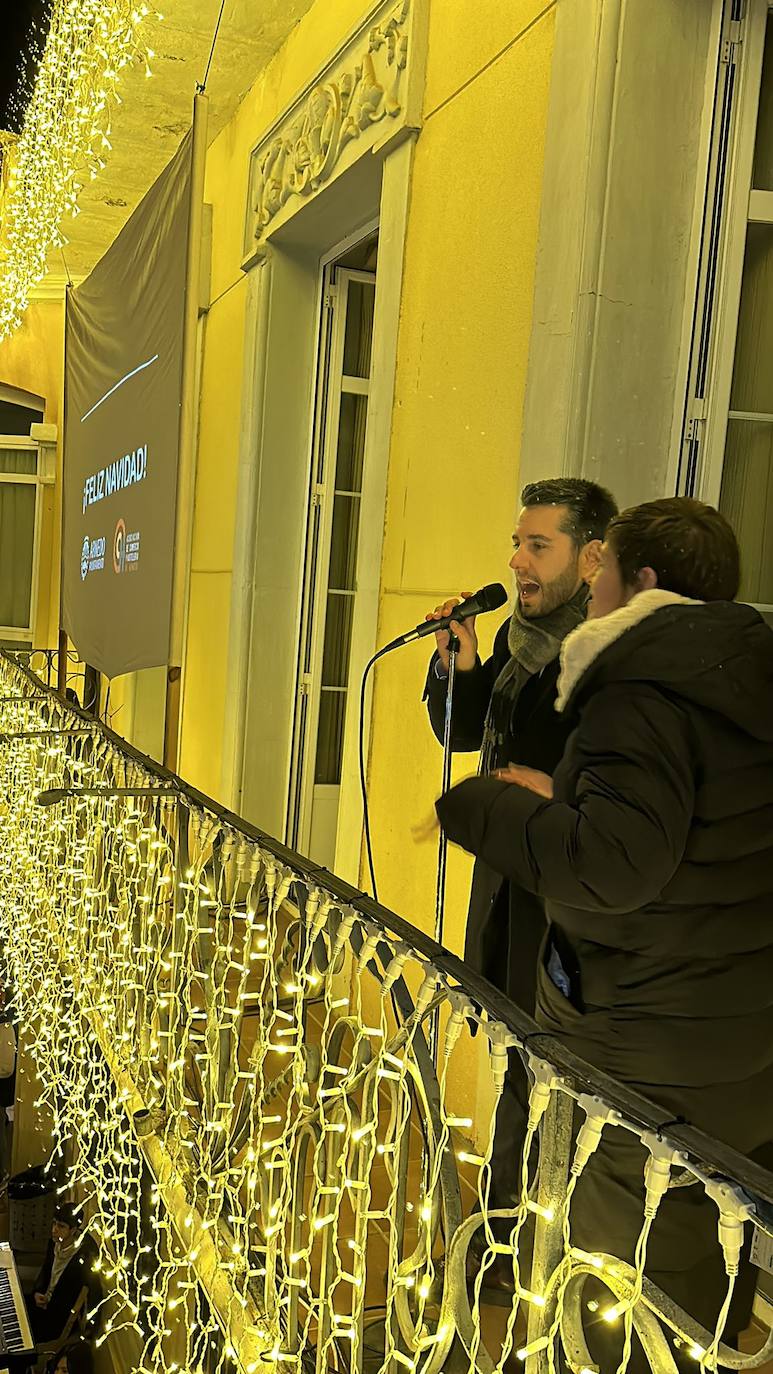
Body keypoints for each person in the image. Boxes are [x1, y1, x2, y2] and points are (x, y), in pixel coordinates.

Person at [436, 497, 773, 1357]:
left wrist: (478, 805)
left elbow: (615, 864)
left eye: (597, 570)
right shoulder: (739, 675)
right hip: (729, 1033)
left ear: (641, 580)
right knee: (696, 1255)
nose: (590, 590)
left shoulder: (637, 683)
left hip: (643, 1035)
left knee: (617, 1284)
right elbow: (695, 836)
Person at [424, 478, 617, 1279]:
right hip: (506, 887)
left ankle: (548, 1262)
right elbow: (466, 732)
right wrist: (461, 664)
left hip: (567, 908)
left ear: (592, 555)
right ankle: (503, 1242)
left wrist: (553, 794)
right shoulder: (521, 641)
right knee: (510, 1063)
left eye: (538, 546)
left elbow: (621, 792)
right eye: (517, 542)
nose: (517, 562)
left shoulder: (608, 655)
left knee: (553, 1081)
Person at [28, 1204, 94, 1344]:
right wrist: (37, 1293)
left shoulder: (81, 1260)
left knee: (24, 1335)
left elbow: (90, 1294)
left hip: (57, 1316)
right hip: (43, 1302)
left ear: (73, 1230)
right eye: (54, 1224)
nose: (54, 1230)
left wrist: (89, 1331)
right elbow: (44, 1275)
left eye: (61, 1226)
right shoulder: (53, 1244)